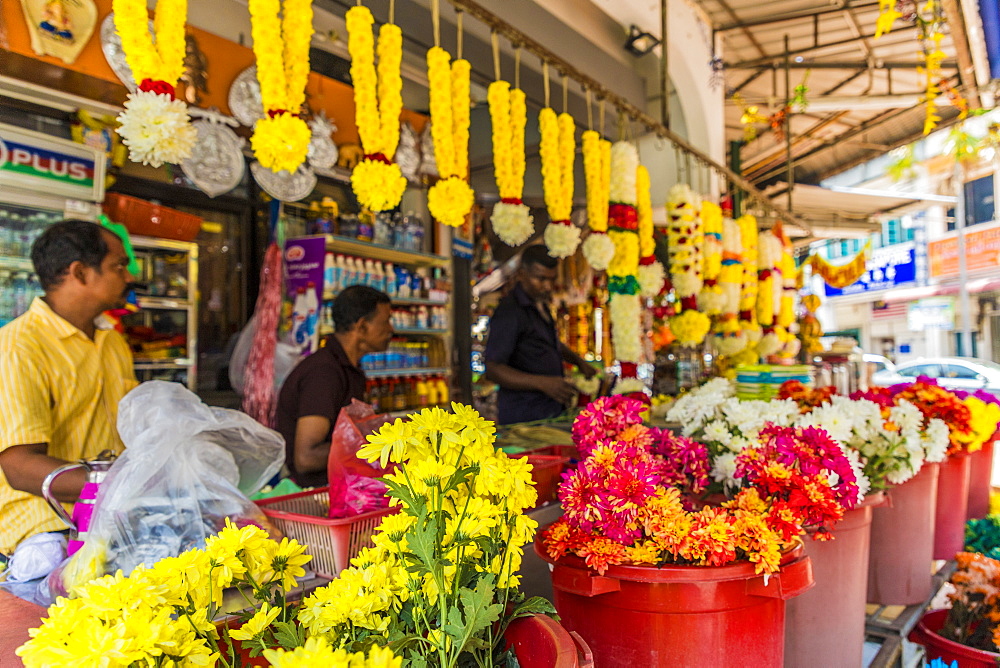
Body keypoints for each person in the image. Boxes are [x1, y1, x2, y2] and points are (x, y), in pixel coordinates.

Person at [0, 220, 137, 581]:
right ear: (80, 272)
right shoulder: (19, 346)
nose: (128, 276)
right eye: (118, 266)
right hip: (45, 523)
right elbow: (18, 466)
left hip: (113, 512)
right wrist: (117, 483)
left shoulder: (113, 341)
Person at [275, 285, 393, 487]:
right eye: (386, 321)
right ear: (362, 326)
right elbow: (307, 457)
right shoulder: (324, 373)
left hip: (343, 486)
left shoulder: (348, 368)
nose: (391, 329)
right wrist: (378, 444)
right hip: (314, 494)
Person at [485, 244, 597, 425]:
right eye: (541, 278)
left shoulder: (540, 305)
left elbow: (548, 342)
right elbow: (493, 369)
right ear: (521, 274)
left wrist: (578, 362)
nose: (547, 286)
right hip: (523, 418)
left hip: (549, 412)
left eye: (552, 279)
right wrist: (543, 383)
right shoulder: (510, 311)